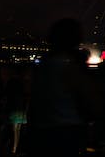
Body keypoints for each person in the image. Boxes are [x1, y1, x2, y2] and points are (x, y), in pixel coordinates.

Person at [28, 18, 97, 157]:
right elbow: (90, 99)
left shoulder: (44, 65)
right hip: (67, 130)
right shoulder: (70, 66)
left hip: (42, 130)